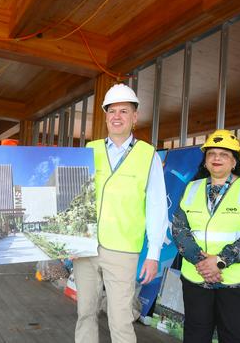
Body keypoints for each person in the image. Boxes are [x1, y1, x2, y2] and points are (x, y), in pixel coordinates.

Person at [74, 83, 168, 343]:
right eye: (111, 111)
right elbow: (74, 200)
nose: (117, 116)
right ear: (105, 117)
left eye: (124, 111)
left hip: (123, 250)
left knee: (121, 319)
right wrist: (68, 240)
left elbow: (157, 206)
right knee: (85, 313)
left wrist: (153, 255)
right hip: (85, 246)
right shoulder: (89, 150)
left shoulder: (148, 155)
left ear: (134, 117)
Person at [171, 129, 240, 343]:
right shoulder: (191, 188)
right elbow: (179, 228)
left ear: (234, 161)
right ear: (205, 161)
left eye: (224, 154)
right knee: (195, 336)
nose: (216, 158)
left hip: (238, 282)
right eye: (211, 154)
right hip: (197, 278)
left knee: (234, 338)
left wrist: (220, 261)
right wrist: (202, 262)